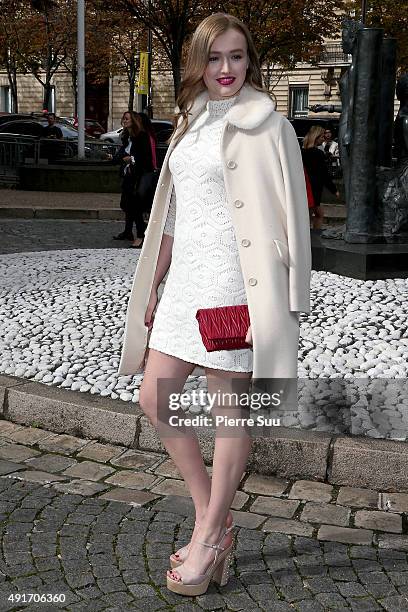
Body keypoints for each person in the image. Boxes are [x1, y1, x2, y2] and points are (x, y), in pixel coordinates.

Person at [118, 12, 311, 596]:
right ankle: (215, 518)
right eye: (215, 57)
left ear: (250, 60)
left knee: (229, 408)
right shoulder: (189, 120)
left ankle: (206, 537)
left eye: (237, 56)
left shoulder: (268, 125)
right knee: (156, 394)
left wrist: (289, 298)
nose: (226, 69)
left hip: (235, 284)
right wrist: (155, 278)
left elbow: (294, 216)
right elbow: (174, 212)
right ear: (198, 63)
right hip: (184, 285)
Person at [112, 111, 153, 247]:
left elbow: (145, 158)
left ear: (134, 121)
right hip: (129, 176)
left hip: (139, 176)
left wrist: (132, 159)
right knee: (128, 205)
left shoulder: (141, 136)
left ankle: (141, 236)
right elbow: (122, 153)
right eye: (123, 118)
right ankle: (131, 232)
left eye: (127, 118)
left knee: (136, 207)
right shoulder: (127, 137)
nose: (124, 120)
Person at [302, 125, 340, 230]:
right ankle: (313, 237)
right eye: (322, 137)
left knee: (314, 213)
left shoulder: (302, 152)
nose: (324, 139)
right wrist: (334, 190)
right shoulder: (317, 153)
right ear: (316, 137)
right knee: (316, 213)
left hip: (305, 184)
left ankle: (310, 236)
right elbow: (324, 174)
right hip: (314, 187)